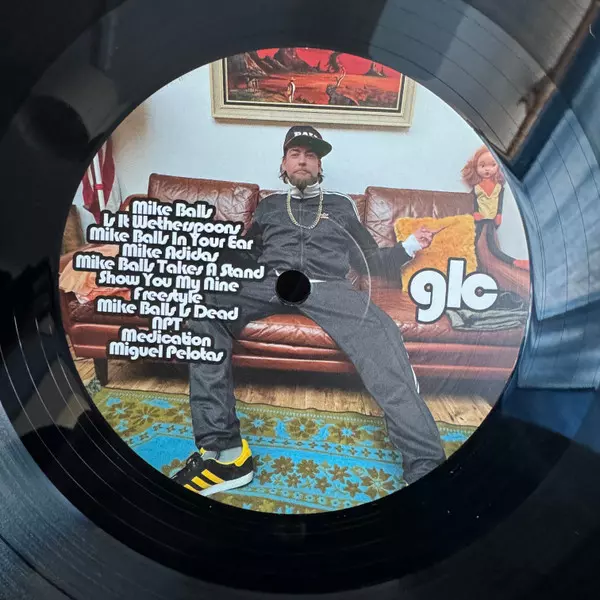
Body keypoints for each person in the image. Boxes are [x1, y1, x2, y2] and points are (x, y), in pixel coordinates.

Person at [172, 125, 446, 496]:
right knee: (204, 306)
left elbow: (370, 259)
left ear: (319, 166)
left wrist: (410, 245)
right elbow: (244, 255)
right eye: (295, 153)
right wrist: (204, 246)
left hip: (328, 287)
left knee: (383, 336)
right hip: (270, 282)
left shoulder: (341, 206)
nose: (303, 160)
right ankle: (225, 454)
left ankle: (427, 467)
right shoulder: (269, 206)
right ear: (284, 164)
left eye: (311, 155)